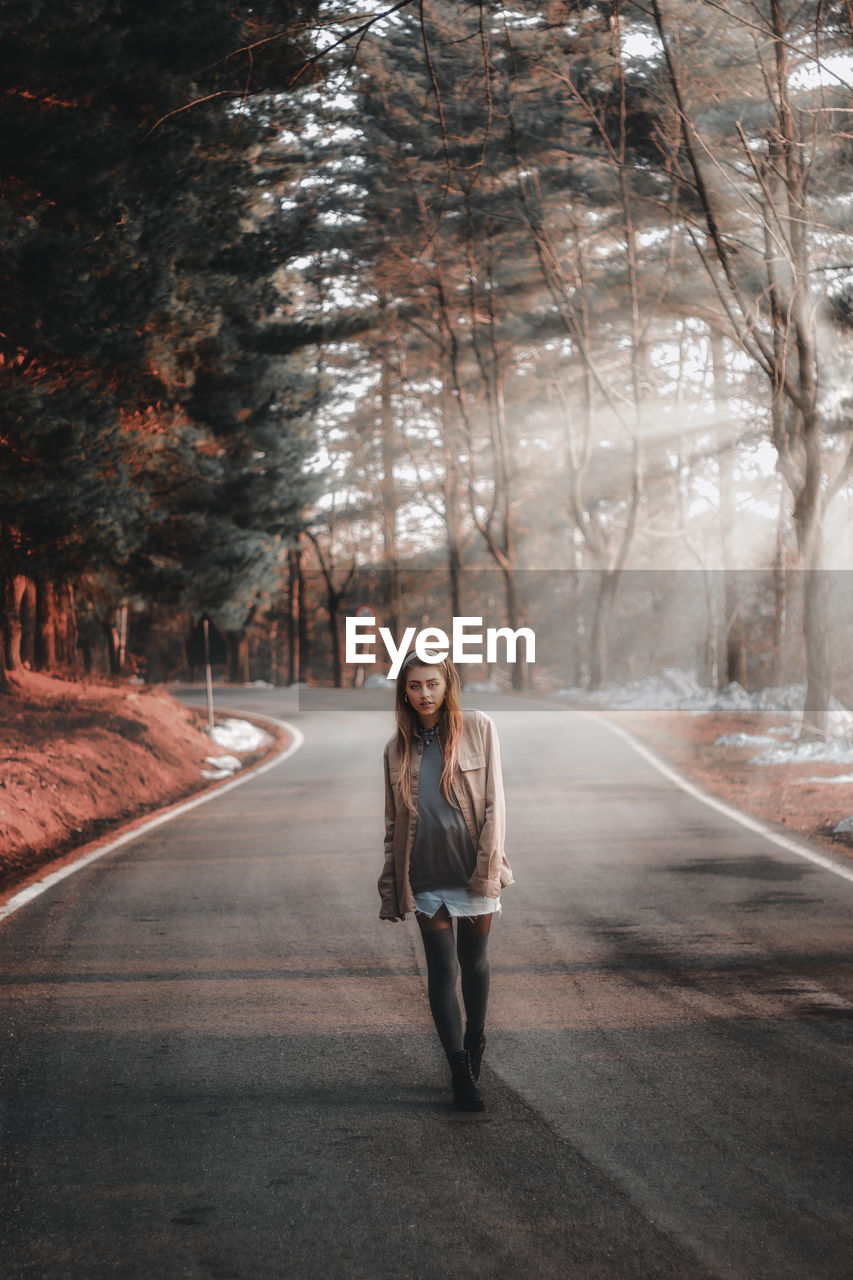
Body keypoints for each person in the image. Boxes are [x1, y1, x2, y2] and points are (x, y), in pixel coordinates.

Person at [378, 650, 514, 1111]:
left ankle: (475, 1039)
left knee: (473, 962)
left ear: (447, 684)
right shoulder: (396, 748)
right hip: (425, 875)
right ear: (404, 692)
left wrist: (489, 868)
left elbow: (495, 803)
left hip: (471, 870)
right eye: (414, 686)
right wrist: (393, 886)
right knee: (442, 969)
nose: (424, 694)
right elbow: (393, 826)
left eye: (431, 684)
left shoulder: (478, 727)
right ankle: (460, 1073)